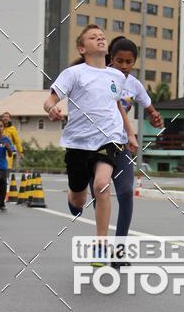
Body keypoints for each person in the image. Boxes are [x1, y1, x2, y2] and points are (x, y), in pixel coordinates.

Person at [43, 24, 137, 260]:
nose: (100, 39)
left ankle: (100, 245)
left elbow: (117, 107)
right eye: (93, 37)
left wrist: (130, 133)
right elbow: (50, 100)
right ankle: (73, 195)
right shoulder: (73, 74)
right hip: (78, 142)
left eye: (102, 36)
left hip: (109, 139)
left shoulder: (117, 76)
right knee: (79, 200)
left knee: (102, 184)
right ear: (82, 48)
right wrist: (51, 109)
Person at [104, 36, 163, 242]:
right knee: (98, 194)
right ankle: (101, 239)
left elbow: (151, 110)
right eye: (119, 61)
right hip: (96, 146)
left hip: (121, 145)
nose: (124, 66)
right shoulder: (99, 77)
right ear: (111, 59)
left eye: (129, 62)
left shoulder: (134, 85)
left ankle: (120, 245)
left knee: (126, 192)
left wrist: (155, 118)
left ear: (134, 62)